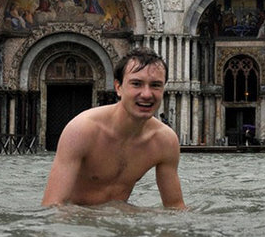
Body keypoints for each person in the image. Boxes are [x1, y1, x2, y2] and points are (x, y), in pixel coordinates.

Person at [41, 48, 185, 209]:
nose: (146, 94)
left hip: (122, 219)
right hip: (77, 219)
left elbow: (175, 208)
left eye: (155, 85)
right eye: (136, 84)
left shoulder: (165, 141)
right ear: (118, 87)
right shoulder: (82, 130)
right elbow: (53, 206)